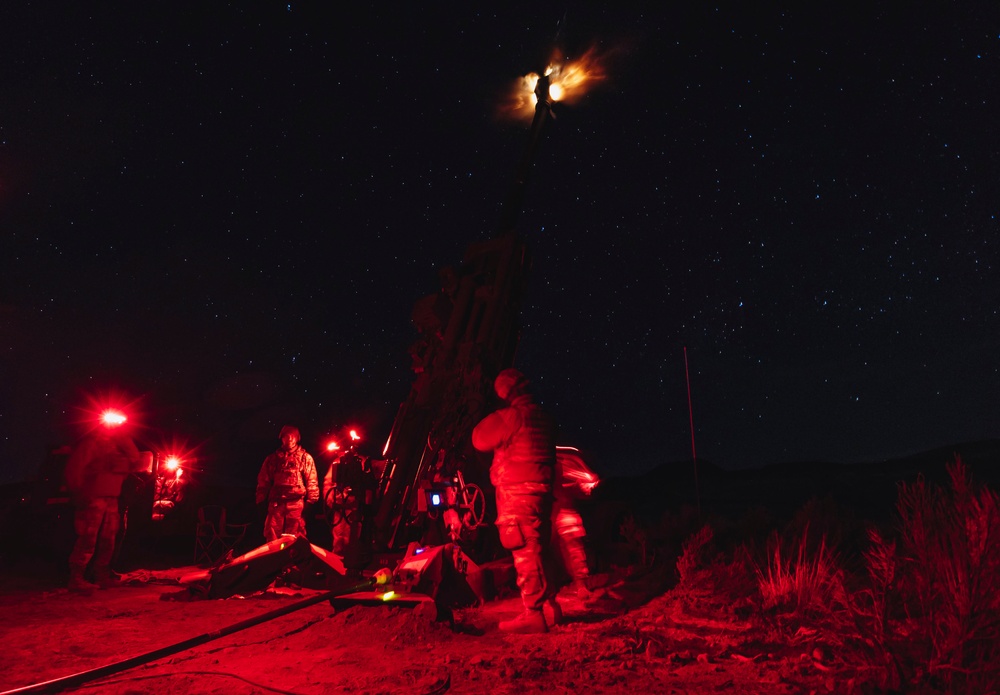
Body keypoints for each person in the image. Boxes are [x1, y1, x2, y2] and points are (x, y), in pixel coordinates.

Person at [472, 367, 561, 634]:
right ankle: (550, 606)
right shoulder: (544, 418)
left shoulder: (514, 417)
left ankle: (532, 613)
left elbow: (479, 439)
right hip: (540, 492)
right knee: (539, 549)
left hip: (518, 494)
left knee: (523, 549)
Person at [64, 413, 143, 595]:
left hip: (111, 499)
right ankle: (76, 579)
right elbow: (74, 469)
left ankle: (101, 576)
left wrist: (124, 437)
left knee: (109, 539)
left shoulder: (120, 447)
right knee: (88, 538)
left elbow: (135, 459)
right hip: (93, 498)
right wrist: (79, 492)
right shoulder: (92, 444)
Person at [255, 425, 320, 542]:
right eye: (286, 436)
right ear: (282, 438)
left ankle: (293, 559)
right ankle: (273, 559)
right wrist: (260, 500)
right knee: (272, 534)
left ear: (297, 438)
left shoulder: (305, 458)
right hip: (276, 503)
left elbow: (312, 480)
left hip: (296, 503)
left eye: (292, 436)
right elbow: (263, 481)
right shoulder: (273, 459)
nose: (289, 439)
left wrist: (311, 501)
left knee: (295, 536)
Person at [553, 446, 601, 601]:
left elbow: (583, 492)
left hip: (566, 519)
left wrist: (588, 484)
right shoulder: (560, 479)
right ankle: (578, 585)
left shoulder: (560, 481)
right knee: (570, 553)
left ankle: (581, 586)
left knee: (574, 552)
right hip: (562, 520)